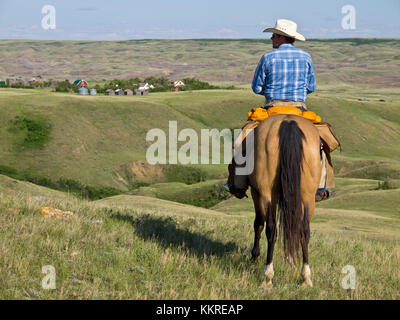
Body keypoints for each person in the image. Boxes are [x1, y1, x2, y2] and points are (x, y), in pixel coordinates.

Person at [225, 19, 333, 201]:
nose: (271, 38)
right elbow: (311, 87)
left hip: (272, 109)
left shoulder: (267, 58)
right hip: (299, 110)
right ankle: (322, 186)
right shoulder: (306, 57)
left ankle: (238, 183)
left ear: (283, 37)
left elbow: (256, 88)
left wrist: (270, 89)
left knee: (241, 143)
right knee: (324, 144)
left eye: (274, 35)